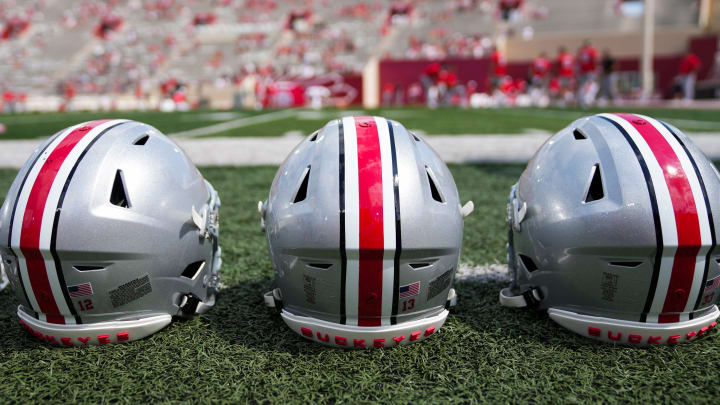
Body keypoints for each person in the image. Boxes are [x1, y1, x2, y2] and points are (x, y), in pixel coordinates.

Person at [577, 40, 599, 107]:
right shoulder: (592, 51)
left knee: (583, 86)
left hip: (583, 71)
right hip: (590, 70)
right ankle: (588, 100)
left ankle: (582, 100)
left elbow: (578, 62)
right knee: (592, 85)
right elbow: (596, 60)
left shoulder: (581, 51)